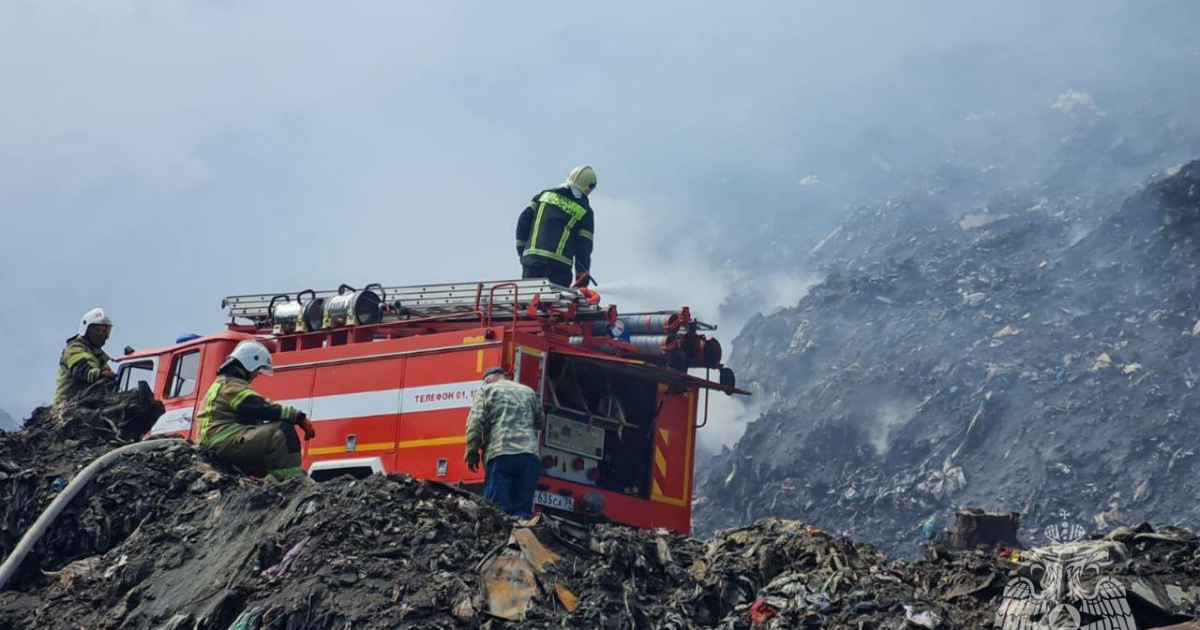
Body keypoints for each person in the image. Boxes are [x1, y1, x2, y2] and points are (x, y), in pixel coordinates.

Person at [197, 339, 316, 481]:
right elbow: (259, 407)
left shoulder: (224, 383)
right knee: (282, 429)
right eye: (257, 369)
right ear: (249, 363)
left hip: (220, 441)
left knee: (267, 444)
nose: (257, 374)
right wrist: (298, 417)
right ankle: (290, 481)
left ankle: (273, 481)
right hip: (223, 440)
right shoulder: (231, 385)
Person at [464, 366, 544, 518]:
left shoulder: (487, 391)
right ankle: (519, 539)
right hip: (529, 456)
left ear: (488, 379)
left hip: (501, 454)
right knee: (523, 512)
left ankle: (499, 539)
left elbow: (474, 424)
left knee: (496, 510)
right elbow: (540, 422)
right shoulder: (528, 392)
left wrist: (472, 453)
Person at [516, 165, 596, 287]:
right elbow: (583, 249)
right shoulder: (585, 211)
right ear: (589, 187)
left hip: (531, 263)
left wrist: (523, 252)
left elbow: (523, 222)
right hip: (558, 268)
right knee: (554, 304)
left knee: (530, 299)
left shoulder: (543, 196)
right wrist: (582, 282)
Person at [54, 308, 116, 406]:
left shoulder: (98, 355)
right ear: (86, 330)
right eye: (97, 330)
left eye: (103, 331)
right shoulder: (74, 348)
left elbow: (109, 376)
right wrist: (99, 374)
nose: (100, 333)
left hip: (88, 404)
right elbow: (82, 369)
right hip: (67, 406)